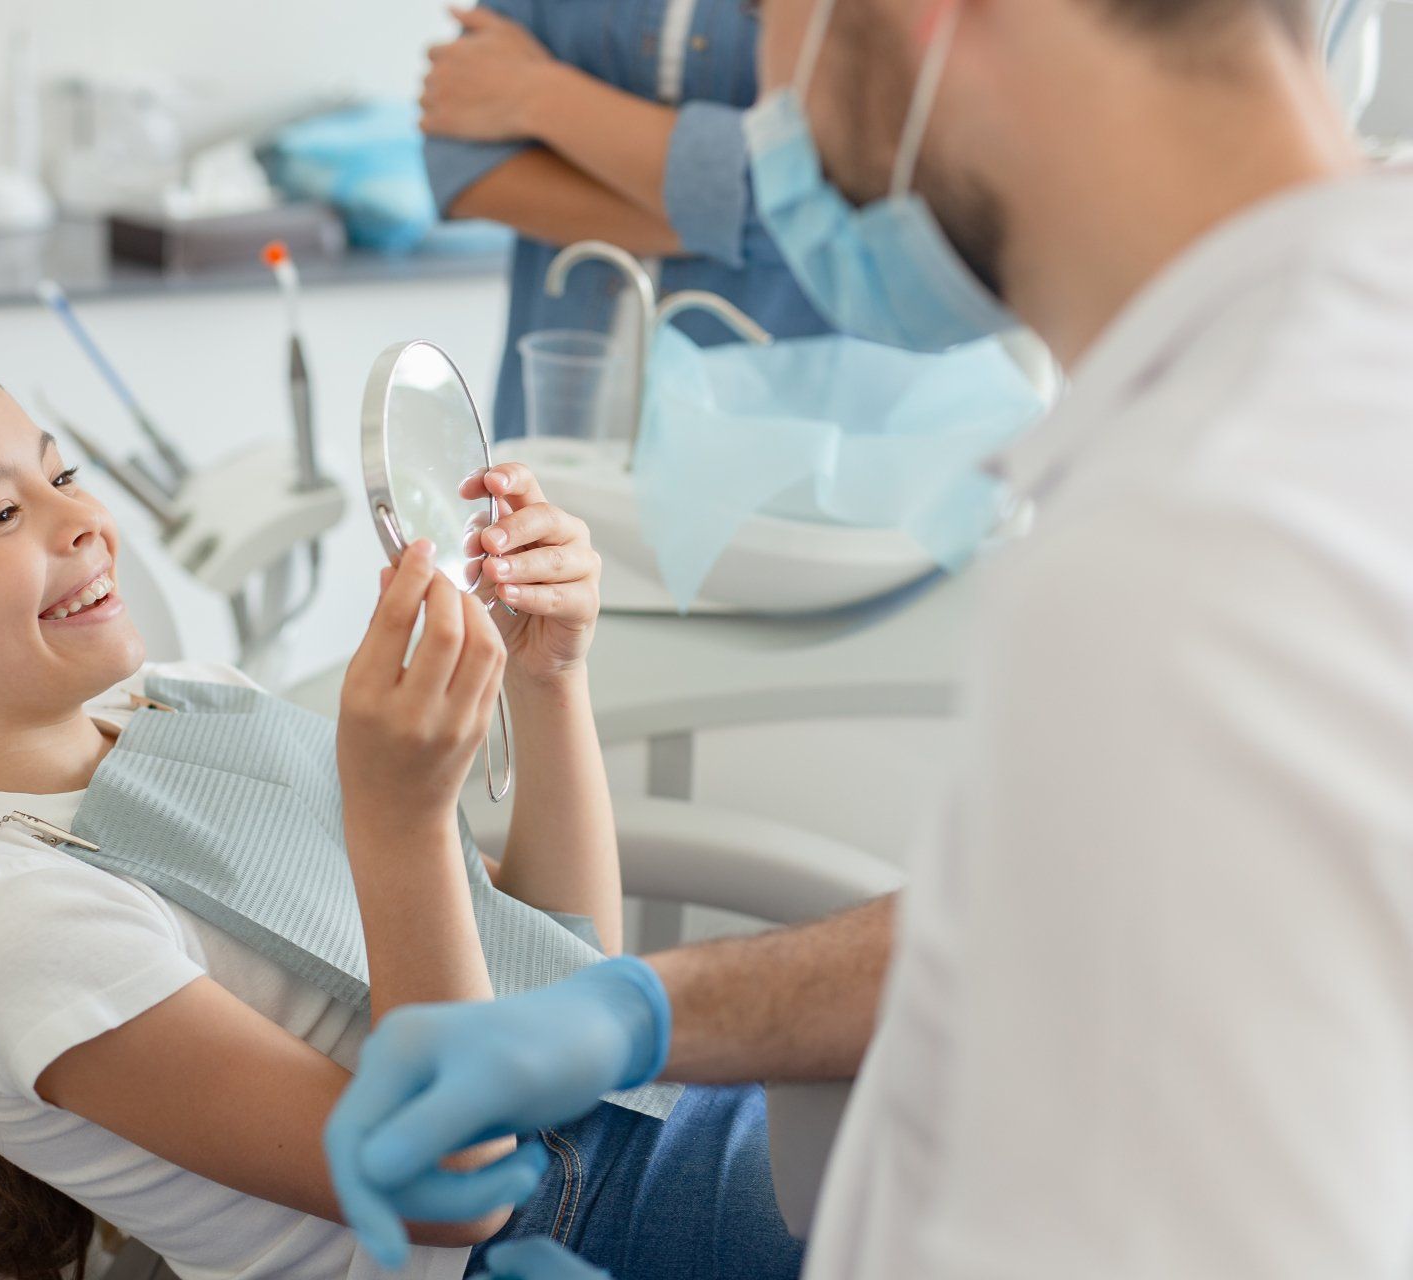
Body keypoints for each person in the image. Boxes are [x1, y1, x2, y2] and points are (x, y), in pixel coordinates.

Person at [328, 0, 1413, 1276]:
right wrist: (647, 1010)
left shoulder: (1181, 554)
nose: (762, 103)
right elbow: (1061, 915)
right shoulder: (1314, 380)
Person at [0, 345, 804, 1280]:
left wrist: (547, 678)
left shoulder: (188, 701)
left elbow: (555, 963)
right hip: (549, 1225)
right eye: (0, 517)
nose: (84, 521)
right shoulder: (17, 927)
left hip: (639, 1114)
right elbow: (448, 1186)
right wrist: (397, 821)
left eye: (60, 474)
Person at [420, 0, 831, 439]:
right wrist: (727, 214)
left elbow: (818, 190)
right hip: (555, 429)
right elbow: (462, 161)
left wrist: (533, 94)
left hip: (775, 437)